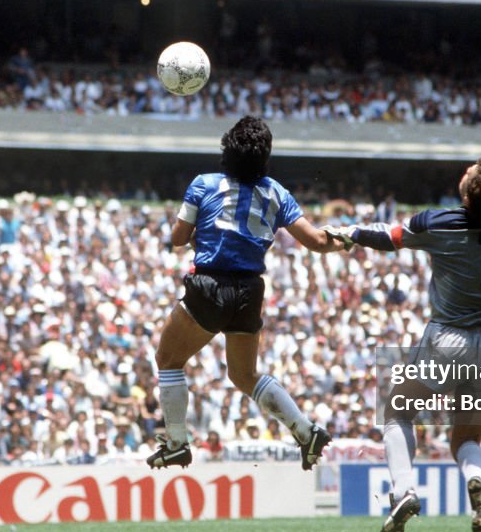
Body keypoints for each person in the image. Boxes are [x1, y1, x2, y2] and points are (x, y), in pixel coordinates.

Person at [330, 157, 481, 532]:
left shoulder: (439, 224)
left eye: (472, 171)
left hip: (449, 338)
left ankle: (403, 492)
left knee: (397, 412)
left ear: (468, 192)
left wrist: (349, 232)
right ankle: (478, 483)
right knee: (466, 441)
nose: (467, 167)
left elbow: (388, 237)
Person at [147, 115, 344, 471]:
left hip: (210, 286)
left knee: (169, 360)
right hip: (250, 290)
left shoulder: (204, 184)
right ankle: (305, 430)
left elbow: (176, 238)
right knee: (243, 375)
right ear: (264, 157)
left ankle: (176, 442)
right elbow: (316, 241)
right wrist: (349, 238)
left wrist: (196, 236)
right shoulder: (276, 192)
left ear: (226, 150)